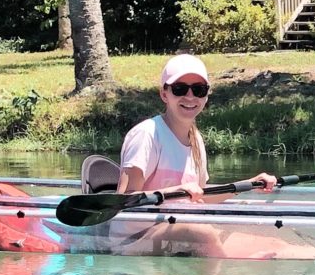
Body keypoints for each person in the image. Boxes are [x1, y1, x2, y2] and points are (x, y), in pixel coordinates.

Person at [117, 54, 276, 200]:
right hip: (142, 229)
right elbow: (123, 200)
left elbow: (201, 198)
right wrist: (176, 191)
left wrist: (250, 184)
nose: (190, 96)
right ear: (164, 94)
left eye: (199, 89)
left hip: (184, 225)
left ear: (206, 96)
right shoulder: (148, 134)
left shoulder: (196, 140)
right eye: (180, 89)